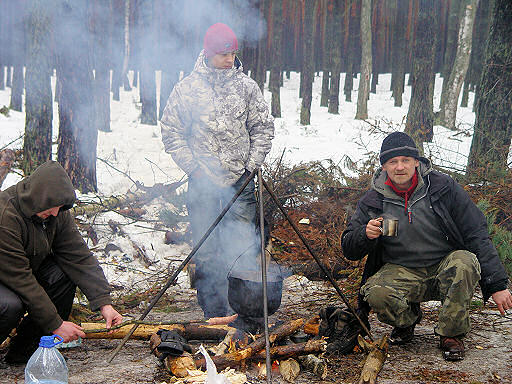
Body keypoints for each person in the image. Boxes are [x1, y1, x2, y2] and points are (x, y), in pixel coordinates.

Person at [342, 131, 512, 361]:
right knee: (376, 293)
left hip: (444, 264)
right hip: (401, 269)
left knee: (465, 262)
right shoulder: (374, 200)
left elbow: (476, 232)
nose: (400, 167)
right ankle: (407, 321)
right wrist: (365, 234)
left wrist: (497, 284)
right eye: (393, 162)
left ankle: (451, 335)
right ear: (384, 167)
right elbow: (349, 248)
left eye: (405, 160)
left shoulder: (442, 188)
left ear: (416, 162)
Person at [160, 23, 274, 319]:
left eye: (233, 53)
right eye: (224, 54)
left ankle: (244, 310)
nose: (230, 59)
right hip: (203, 184)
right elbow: (171, 132)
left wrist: (252, 165)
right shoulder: (187, 90)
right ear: (209, 54)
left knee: (243, 245)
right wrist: (195, 169)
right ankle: (213, 311)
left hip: (242, 181)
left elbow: (262, 128)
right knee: (207, 247)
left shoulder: (247, 87)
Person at [0, 161, 122, 367]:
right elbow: (20, 279)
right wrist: (56, 324)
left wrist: (104, 302)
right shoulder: (6, 216)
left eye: (60, 209)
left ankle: (28, 350)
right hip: (8, 276)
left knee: (63, 275)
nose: (56, 214)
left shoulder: (56, 213)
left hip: (23, 272)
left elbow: (78, 256)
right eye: (52, 209)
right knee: (9, 305)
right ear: (38, 198)